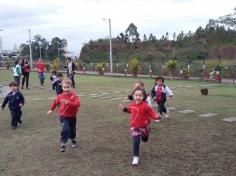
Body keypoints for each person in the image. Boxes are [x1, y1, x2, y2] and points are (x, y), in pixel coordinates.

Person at [119, 88, 160, 166]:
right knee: (136, 141)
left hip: (144, 126)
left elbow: (152, 113)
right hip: (134, 126)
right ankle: (135, 157)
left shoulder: (146, 106)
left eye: (140, 96)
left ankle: (145, 136)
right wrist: (124, 109)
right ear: (134, 96)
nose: (138, 97)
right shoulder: (132, 104)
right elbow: (130, 110)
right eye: (136, 95)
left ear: (143, 96)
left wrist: (156, 117)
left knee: (144, 138)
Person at [47, 79, 80, 152]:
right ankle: (63, 143)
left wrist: (68, 103)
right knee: (65, 129)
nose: (66, 89)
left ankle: (73, 138)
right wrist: (51, 109)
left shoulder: (73, 96)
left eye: (68, 87)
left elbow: (77, 104)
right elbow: (55, 102)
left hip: (72, 116)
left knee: (72, 130)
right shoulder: (60, 96)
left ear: (71, 87)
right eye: (64, 87)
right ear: (62, 87)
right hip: (63, 116)